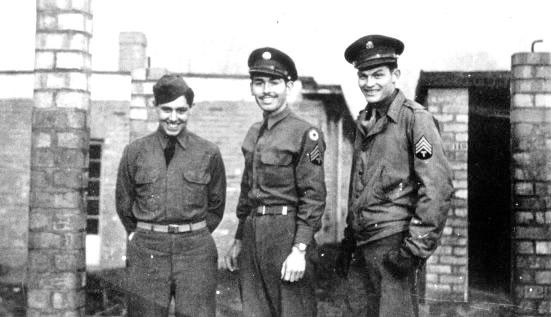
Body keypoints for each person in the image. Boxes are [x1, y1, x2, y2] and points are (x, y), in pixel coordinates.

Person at [335, 35, 454, 316]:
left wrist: (414, 249)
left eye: (378, 74)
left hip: (393, 244)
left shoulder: (415, 119)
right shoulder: (366, 120)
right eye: (363, 76)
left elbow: (437, 187)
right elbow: (360, 185)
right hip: (364, 245)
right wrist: (349, 238)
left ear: (395, 75)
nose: (369, 83)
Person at [224, 47, 326, 317]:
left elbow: (313, 197)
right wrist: (238, 239)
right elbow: (248, 193)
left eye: (274, 82)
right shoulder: (253, 133)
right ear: (251, 87)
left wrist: (299, 249)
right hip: (252, 234)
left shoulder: (305, 133)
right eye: (259, 83)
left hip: (286, 235)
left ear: (288, 86)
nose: (266, 90)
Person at [115, 74, 226, 317]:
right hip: (148, 250)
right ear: (155, 107)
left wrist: (194, 232)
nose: (173, 118)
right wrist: (141, 233)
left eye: (181, 110)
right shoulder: (135, 151)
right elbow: (124, 201)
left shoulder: (208, 152)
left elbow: (216, 204)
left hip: (195, 251)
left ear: (190, 110)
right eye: (166, 109)